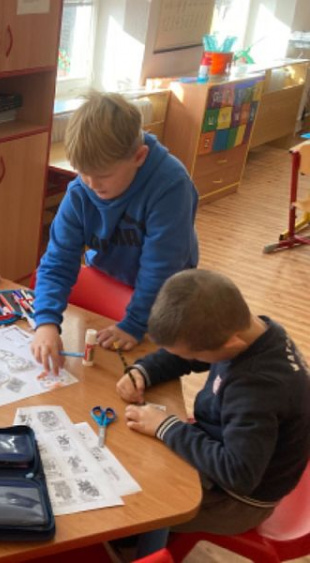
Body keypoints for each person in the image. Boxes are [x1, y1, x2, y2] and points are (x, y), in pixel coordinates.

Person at [117, 269, 310, 555]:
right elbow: (186, 353)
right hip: (231, 449)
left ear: (232, 343)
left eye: (192, 355)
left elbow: (237, 473)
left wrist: (166, 426)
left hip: (238, 500)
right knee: (135, 457)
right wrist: (144, 371)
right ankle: (136, 536)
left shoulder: (258, 388)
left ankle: (144, 544)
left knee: (139, 496)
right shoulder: (252, 332)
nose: (188, 359)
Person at [31, 91, 199, 373]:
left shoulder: (171, 184)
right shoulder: (80, 191)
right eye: (82, 172)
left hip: (165, 295)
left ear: (139, 156)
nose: (91, 184)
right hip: (110, 282)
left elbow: (161, 269)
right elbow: (58, 261)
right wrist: (46, 322)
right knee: (99, 370)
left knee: (144, 371)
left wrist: (134, 324)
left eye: (103, 176)